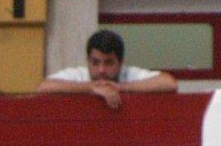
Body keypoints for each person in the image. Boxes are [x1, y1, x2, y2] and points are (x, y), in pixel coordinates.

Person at [37, 29, 178, 110]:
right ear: (87, 61)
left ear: (121, 63)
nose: (101, 70)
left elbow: (169, 83)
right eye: (95, 62)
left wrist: (119, 87)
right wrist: (91, 87)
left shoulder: (128, 74)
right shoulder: (79, 74)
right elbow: (43, 87)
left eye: (109, 63)